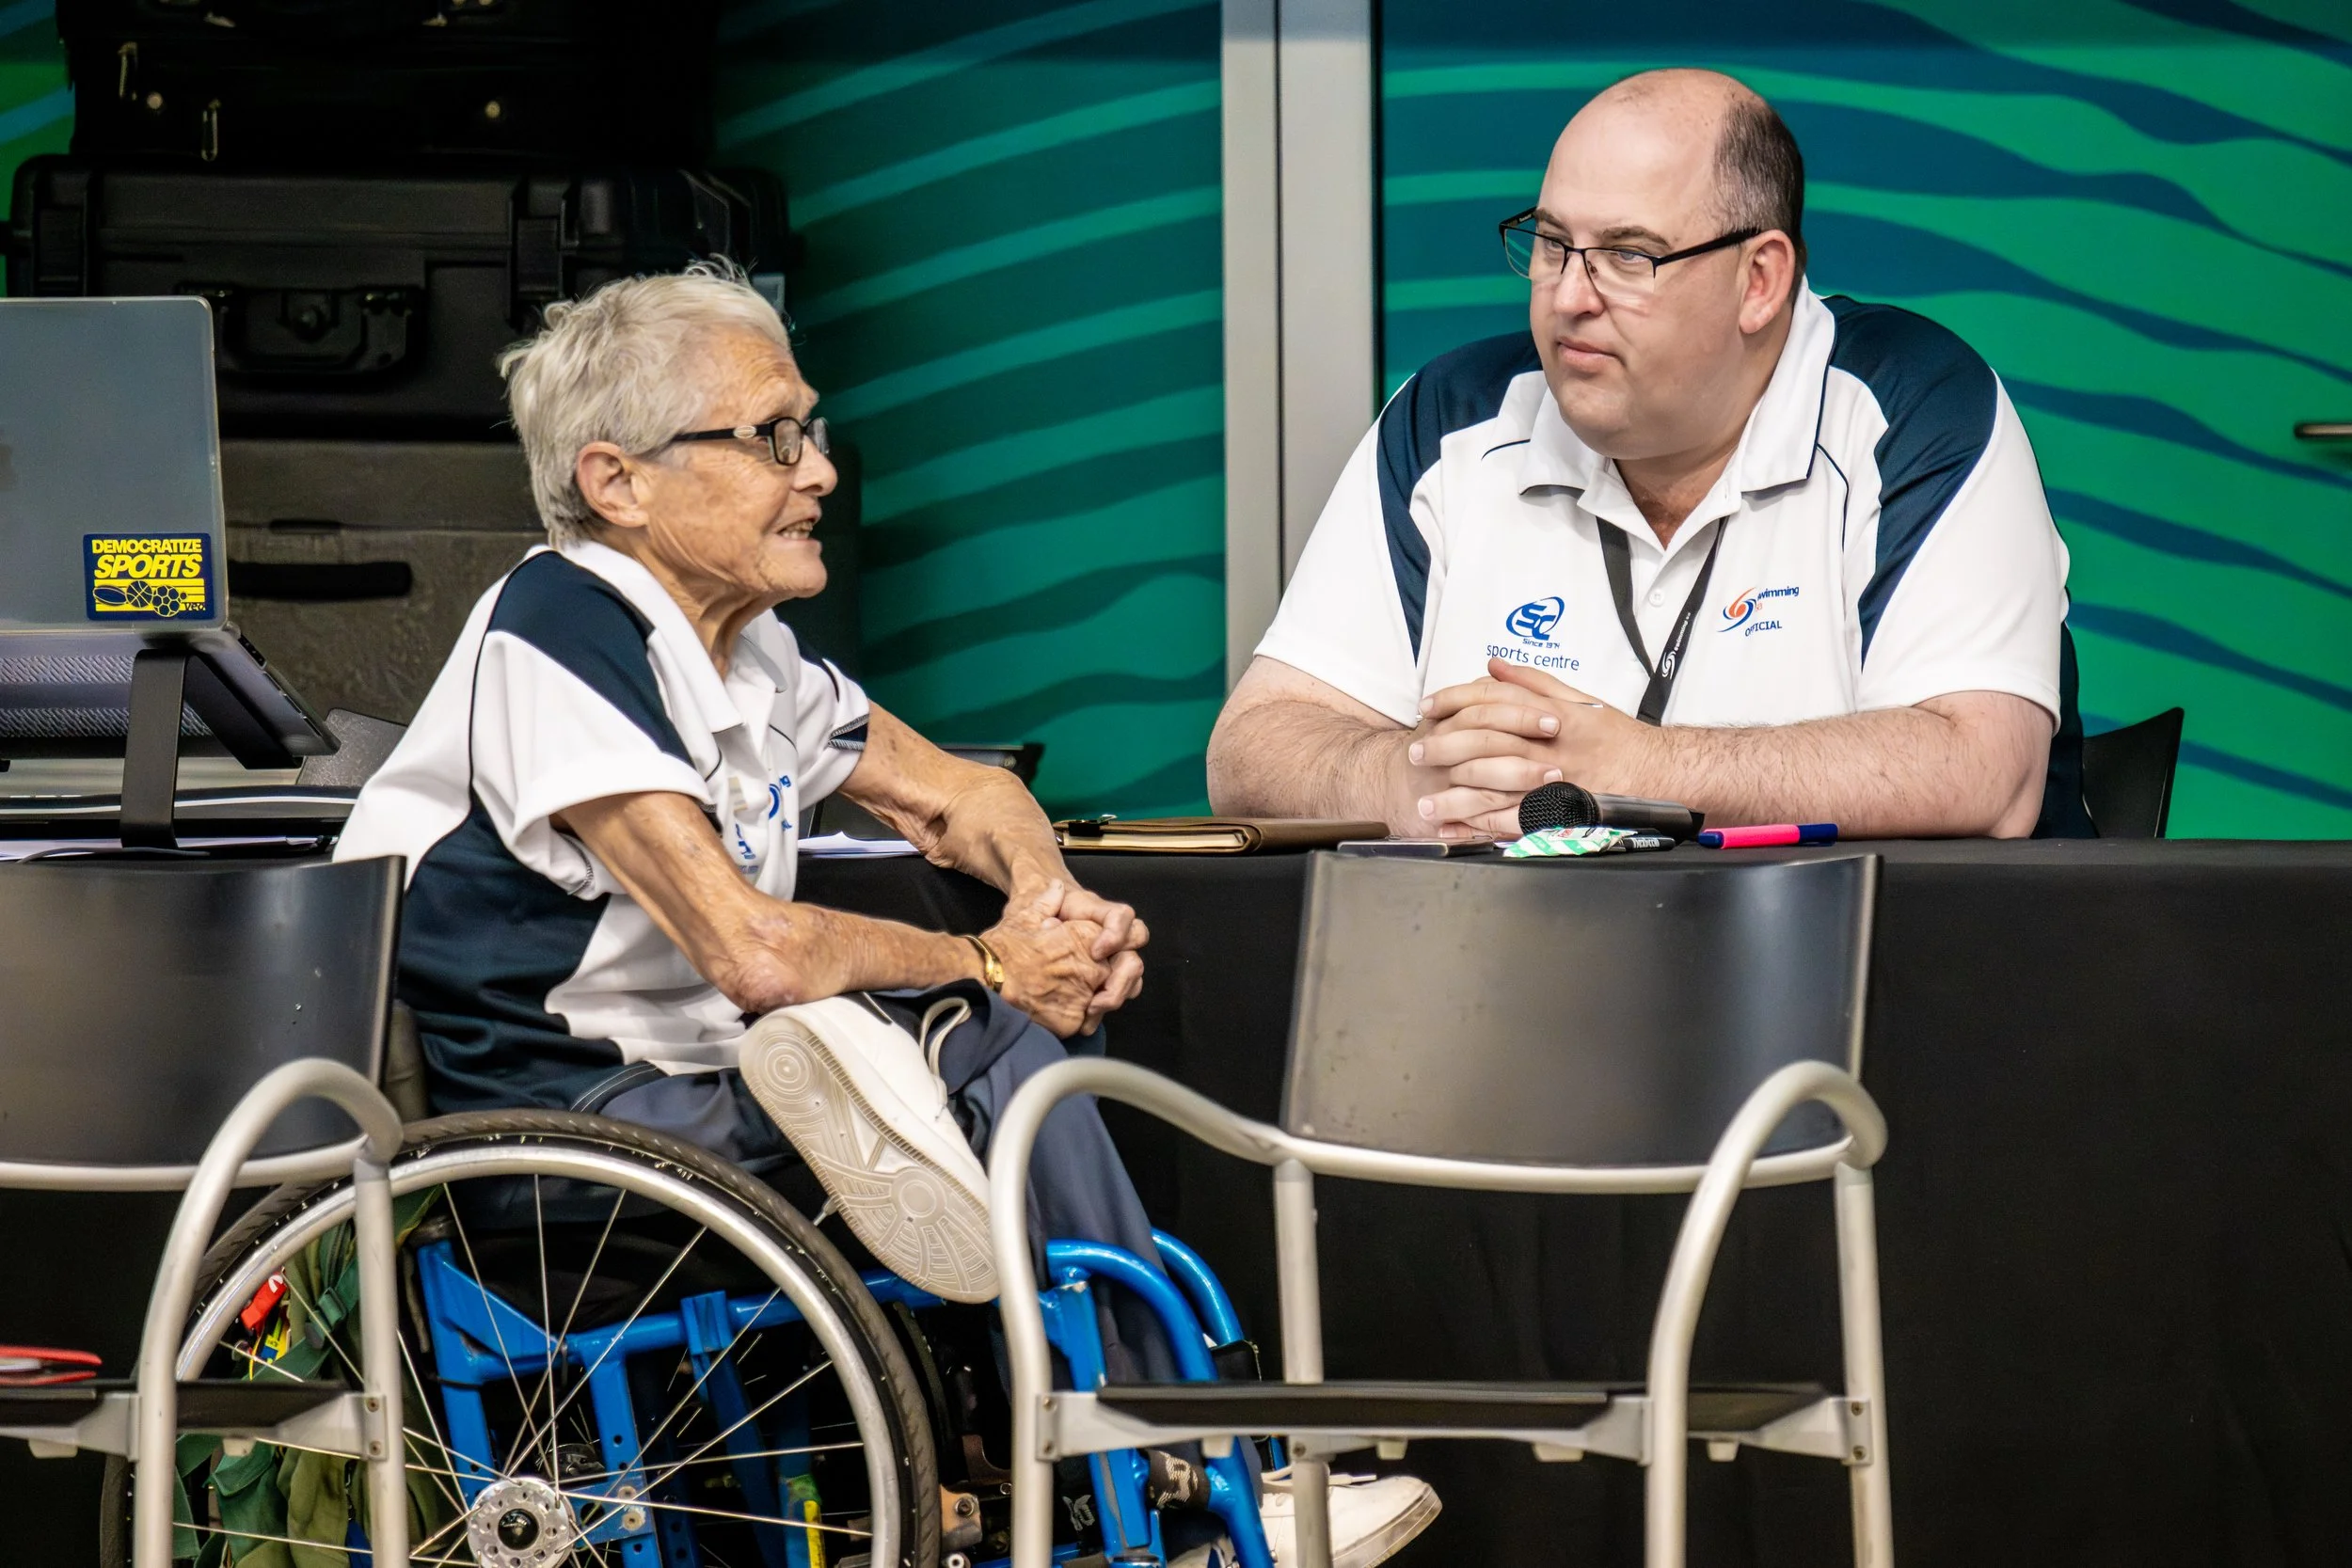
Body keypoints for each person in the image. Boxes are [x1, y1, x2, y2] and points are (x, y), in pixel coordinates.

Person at [334, 262, 1437, 1566]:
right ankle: (1186, 1477)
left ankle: (1099, 1439)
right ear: (615, 480)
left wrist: (1049, 901)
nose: (821, 474)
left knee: (987, 1041)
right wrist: (985, 959)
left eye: (812, 431)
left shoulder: (747, 653)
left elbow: (959, 791)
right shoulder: (558, 626)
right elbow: (747, 946)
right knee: (987, 1042)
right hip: (569, 1132)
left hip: (701, 1092)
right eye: (772, 437)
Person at [1209, 69, 2091, 842]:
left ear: (1760, 280)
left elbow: (1986, 771)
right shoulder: (1451, 415)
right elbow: (1251, 748)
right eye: (1552, 244)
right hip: (1516, 991)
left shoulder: (1913, 407)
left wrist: (1634, 768)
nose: (1568, 298)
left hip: (1881, 998)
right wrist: (1410, 779)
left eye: (1628, 256)